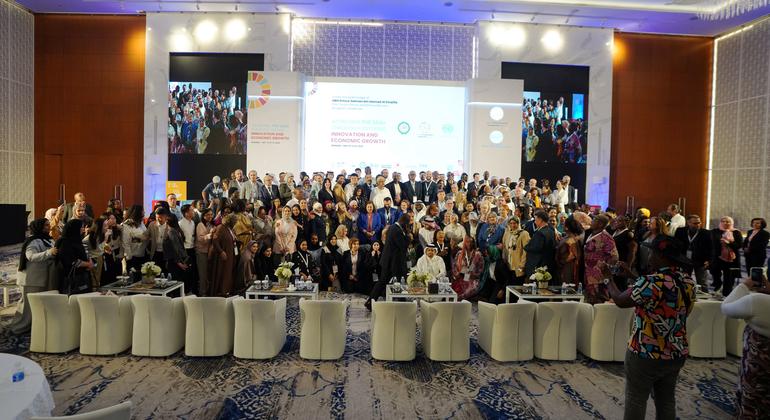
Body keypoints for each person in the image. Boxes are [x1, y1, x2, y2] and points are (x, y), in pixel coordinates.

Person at [602, 235, 695, 420]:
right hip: (676, 350)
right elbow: (673, 302)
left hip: (645, 351)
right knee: (666, 399)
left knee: (636, 398)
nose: (649, 255)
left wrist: (608, 279)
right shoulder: (687, 281)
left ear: (660, 255)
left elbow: (620, 301)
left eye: (652, 251)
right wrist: (632, 276)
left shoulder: (652, 282)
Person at [720, 273, 770, 418]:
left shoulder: (758, 301)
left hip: (758, 374)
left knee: (753, 407)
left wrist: (745, 285)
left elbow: (726, 307)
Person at [8, 219, 58, 334]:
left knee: (37, 305)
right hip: (30, 278)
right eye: (46, 225)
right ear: (39, 227)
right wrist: (49, 253)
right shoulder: (33, 241)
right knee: (27, 306)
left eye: (48, 224)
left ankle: (31, 327)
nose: (48, 226)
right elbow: (30, 256)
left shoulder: (47, 239)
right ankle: (17, 328)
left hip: (41, 277)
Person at [367, 214, 410, 310]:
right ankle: (370, 301)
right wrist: (408, 236)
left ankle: (371, 301)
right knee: (392, 281)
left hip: (391, 261)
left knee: (389, 281)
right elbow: (403, 246)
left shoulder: (393, 228)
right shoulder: (397, 230)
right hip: (392, 263)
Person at [583, 214, 619, 304]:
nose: (592, 221)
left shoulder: (606, 237)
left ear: (600, 224)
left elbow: (614, 256)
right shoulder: (591, 233)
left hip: (598, 274)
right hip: (588, 271)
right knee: (590, 298)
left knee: (599, 299)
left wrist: (603, 267)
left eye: (595, 219)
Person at [56, 219, 94, 295]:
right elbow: (70, 261)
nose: (83, 229)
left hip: (82, 276)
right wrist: (88, 264)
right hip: (72, 278)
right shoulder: (65, 242)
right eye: (81, 227)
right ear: (75, 228)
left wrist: (90, 262)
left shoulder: (77, 240)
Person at [673, 215, 711, 289]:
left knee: (702, 282)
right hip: (684, 260)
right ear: (688, 223)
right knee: (684, 281)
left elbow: (711, 248)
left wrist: (709, 260)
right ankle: (686, 296)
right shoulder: (680, 231)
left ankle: (704, 297)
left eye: (699, 223)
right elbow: (675, 245)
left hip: (700, 260)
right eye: (695, 223)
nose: (698, 225)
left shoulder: (706, 233)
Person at [710, 216, 743, 296]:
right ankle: (717, 285)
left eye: (728, 221)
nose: (725, 223)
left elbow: (739, 245)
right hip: (718, 257)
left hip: (731, 258)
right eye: (723, 221)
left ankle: (726, 294)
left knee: (729, 277)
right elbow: (712, 243)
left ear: (731, 223)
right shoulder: (715, 231)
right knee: (714, 272)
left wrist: (728, 243)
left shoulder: (736, 232)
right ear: (720, 222)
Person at [209, 214, 238, 296]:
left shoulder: (230, 229)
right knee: (224, 273)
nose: (236, 223)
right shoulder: (221, 228)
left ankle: (226, 290)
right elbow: (215, 241)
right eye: (235, 221)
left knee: (228, 273)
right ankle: (222, 292)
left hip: (231, 254)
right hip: (223, 255)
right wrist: (221, 251)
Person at [524, 210, 557, 278]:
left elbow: (536, 248)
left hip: (539, 265)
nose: (535, 222)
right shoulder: (551, 230)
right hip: (548, 263)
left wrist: (526, 246)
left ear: (540, 220)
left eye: (535, 220)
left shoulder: (540, 233)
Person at [163, 216, 190, 287]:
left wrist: (178, 262)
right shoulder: (176, 230)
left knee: (175, 284)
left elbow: (176, 247)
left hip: (174, 260)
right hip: (177, 259)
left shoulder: (171, 231)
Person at [556, 216, 583, 286]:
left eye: (564, 224)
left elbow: (572, 255)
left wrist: (561, 262)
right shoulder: (569, 237)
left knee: (567, 286)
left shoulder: (571, 240)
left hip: (568, 267)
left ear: (566, 227)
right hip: (564, 266)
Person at [121, 205, 147, 274]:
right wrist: (129, 257)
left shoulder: (140, 222)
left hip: (142, 253)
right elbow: (126, 242)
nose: (144, 212)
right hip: (133, 256)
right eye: (142, 211)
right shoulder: (127, 224)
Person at [195, 208, 215, 295]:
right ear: (203, 216)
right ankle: (202, 292)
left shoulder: (211, 224)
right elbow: (200, 239)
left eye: (211, 214)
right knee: (202, 273)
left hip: (210, 252)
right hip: (201, 252)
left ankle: (208, 291)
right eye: (208, 215)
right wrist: (210, 234)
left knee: (209, 273)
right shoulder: (200, 225)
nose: (210, 216)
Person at [178, 204, 197, 293]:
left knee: (192, 271)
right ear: (186, 213)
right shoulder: (180, 224)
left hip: (192, 248)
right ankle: (184, 291)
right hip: (185, 250)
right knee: (186, 272)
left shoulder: (192, 222)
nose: (193, 212)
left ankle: (190, 290)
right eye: (191, 210)